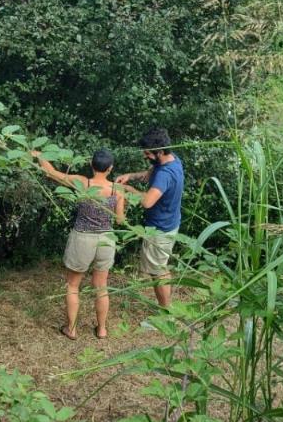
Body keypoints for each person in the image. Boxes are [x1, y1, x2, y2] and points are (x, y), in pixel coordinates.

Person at [32, 148, 126, 340]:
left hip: (83, 238)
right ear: (110, 168)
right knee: (101, 286)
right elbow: (119, 220)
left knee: (73, 285)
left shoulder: (84, 183)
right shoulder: (118, 190)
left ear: (92, 165)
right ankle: (102, 329)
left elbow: (52, 174)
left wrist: (40, 156)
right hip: (106, 240)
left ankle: (72, 329)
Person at [115, 127, 184, 308]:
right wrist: (130, 176)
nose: (145, 156)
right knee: (161, 266)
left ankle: (165, 311)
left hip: (160, 229)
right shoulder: (172, 160)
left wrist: (127, 190)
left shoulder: (164, 174)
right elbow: (148, 174)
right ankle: (166, 306)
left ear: (160, 152)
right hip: (170, 222)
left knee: (157, 271)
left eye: (148, 154)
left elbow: (147, 202)